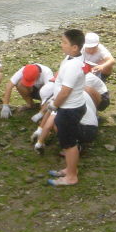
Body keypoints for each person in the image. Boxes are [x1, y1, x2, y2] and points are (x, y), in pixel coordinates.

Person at [46, 29, 87, 187]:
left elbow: (65, 91)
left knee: (69, 145)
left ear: (75, 47)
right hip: (71, 107)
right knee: (69, 142)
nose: (61, 45)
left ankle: (71, 177)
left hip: (69, 109)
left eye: (64, 42)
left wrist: (53, 105)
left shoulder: (73, 66)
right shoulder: (72, 58)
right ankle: (70, 169)